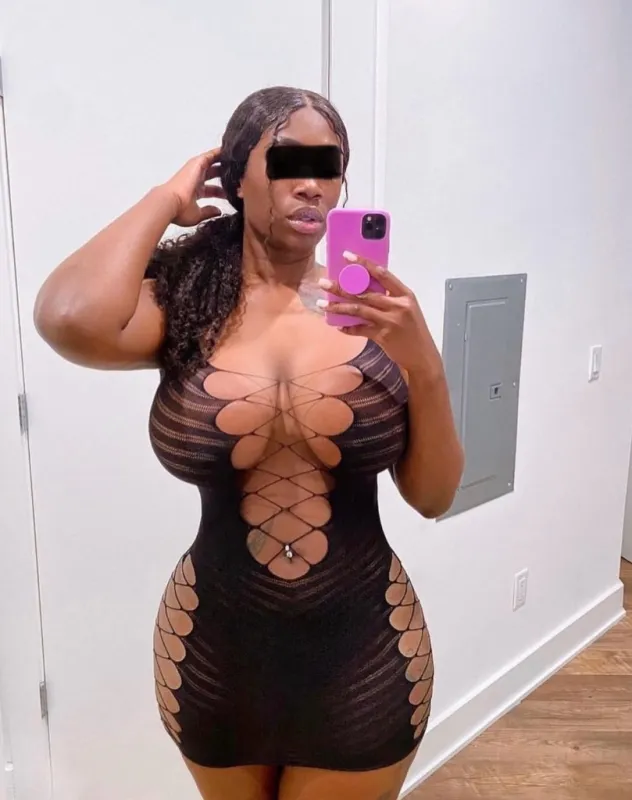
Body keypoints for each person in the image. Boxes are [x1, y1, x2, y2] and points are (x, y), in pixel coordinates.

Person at [34, 86, 463, 800]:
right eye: (289, 162)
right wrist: (165, 199)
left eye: (329, 167)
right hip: (213, 652)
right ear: (235, 178)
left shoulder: (377, 315)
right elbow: (70, 315)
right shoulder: (186, 310)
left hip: (364, 650)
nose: (312, 184)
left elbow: (433, 495)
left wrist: (425, 364)